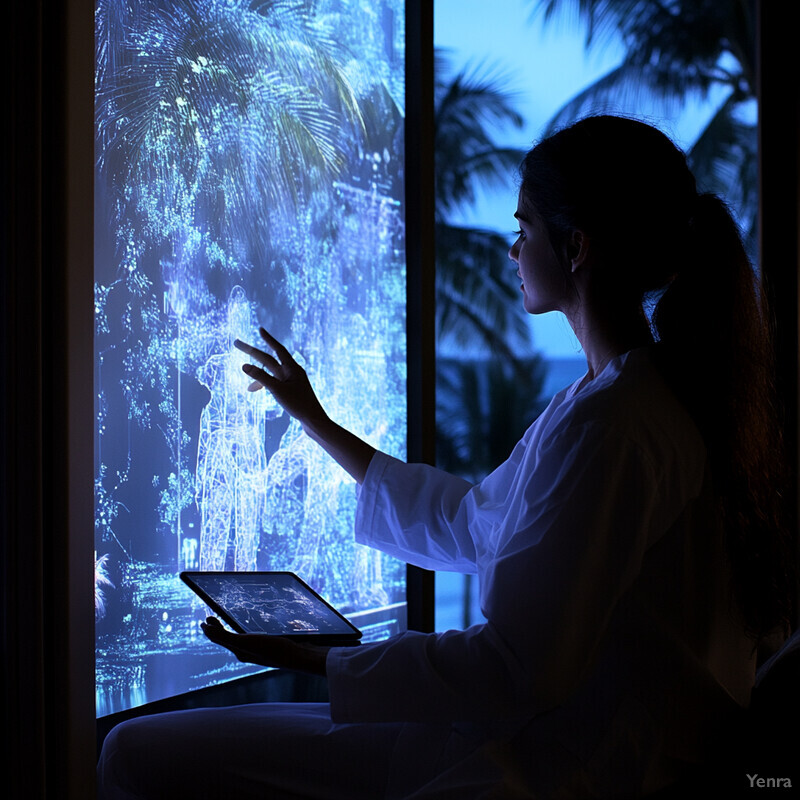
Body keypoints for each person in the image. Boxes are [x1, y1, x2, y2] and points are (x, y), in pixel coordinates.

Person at [97, 115, 794, 799]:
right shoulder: (627, 400)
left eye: (522, 231)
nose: (513, 252)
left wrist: (321, 657)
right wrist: (316, 420)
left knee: (132, 752)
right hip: (536, 740)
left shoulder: (617, 424)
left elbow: (520, 666)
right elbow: (470, 521)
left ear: (576, 247)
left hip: (543, 764)